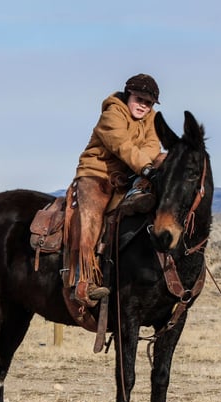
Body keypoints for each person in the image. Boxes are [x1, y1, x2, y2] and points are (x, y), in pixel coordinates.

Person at [65, 73, 165, 308]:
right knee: (91, 218)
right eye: (139, 99)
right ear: (129, 95)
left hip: (130, 176)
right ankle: (83, 282)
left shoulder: (152, 118)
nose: (143, 105)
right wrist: (146, 169)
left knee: (165, 159)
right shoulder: (112, 113)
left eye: (148, 102)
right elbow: (122, 145)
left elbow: (153, 145)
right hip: (96, 174)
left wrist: (148, 167)